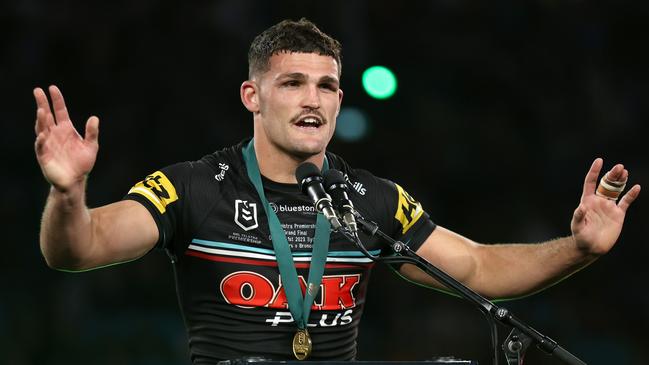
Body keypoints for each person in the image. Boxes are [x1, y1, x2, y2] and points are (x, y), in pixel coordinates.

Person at [33, 18, 640, 364]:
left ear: (341, 100)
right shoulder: (192, 187)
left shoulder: (370, 201)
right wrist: (68, 194)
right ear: (253, 96)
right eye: (292, 82)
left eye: (326, 86)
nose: (312, 99)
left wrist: (578, 248)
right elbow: (78, 248)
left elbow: (478, 266)